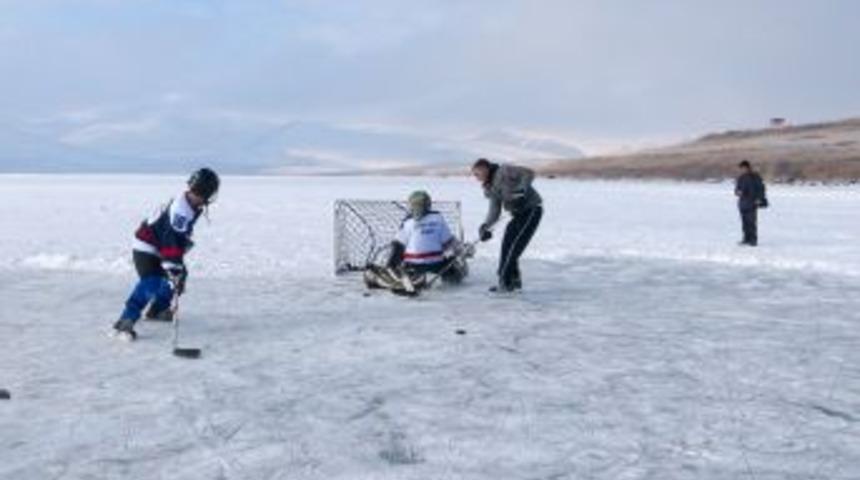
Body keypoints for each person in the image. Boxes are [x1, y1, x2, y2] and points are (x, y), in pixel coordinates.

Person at [112, 168, 220, 340]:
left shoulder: (190, 204)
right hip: (146, 246)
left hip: (160, 245)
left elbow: (174, 237)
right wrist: (172, 266)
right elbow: (171, 241)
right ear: (204, 191)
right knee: (152, 282)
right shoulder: (181, 211)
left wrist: (176, 268)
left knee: (178, 278)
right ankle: (125, 320)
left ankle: (158, 309)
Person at [365, 191, 468, 292]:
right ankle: (451, 277)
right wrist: (460, 252)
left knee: (398, 251)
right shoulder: (438, 218)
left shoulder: (408, 222)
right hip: (436, 265)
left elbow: (397, 246)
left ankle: (397, 276)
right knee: (452, 261)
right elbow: (448, 243)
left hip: (413, 266)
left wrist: (390, 266)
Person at [471, 158, 542, 292]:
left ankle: (505, 282)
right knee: (507, 244)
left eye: (477, 174)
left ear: (484, 168)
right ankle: (513, 281)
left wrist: (522, 190)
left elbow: (529, 173)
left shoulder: (504, 171)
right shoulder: (490, 187)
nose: (476, 178)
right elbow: (494, 210)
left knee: (514, 247)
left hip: (531, 210)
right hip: (517, 215)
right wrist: (486, 226)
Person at [735, 160, 768, 246]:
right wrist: (737, 192)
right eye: (741, 168)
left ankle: (753, 240)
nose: (742, 170)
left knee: (751, 222)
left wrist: (760, 199)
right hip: (742, 204)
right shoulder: (740, 178)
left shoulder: (755, 177)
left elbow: (761, 188)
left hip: (752, 203)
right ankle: (746, 239)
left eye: (743, 168)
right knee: (744, 223)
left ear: (747, 167)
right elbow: (736, 190)